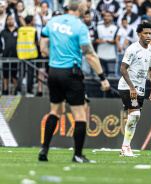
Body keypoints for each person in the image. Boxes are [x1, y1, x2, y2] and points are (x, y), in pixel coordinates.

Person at [39, 0, 110, 163]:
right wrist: (102, 78)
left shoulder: (53, 21)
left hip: (53, 71)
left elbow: (43, 47)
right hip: (71, 73)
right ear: (80, 8)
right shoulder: (80, 27)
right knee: (80, 115)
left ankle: (44, 149)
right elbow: (90, 55)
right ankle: (77, 155)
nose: (86, 8)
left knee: (55, 112)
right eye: (85, 6)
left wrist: (54, 57)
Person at [118, 21, 151, 156]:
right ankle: (126, 147)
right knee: (135, 114)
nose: (148, 36)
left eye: (150, 33)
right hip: (127, 87)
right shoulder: (132, 49)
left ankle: (125, 148)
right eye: (145, 33)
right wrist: (131, 87)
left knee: (134, 118)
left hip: (140, 89)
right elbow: (123, 69)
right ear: (139, 34)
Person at [16, 15, 38, 96]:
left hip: (21, 54)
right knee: (30, 74)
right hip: (31, 55)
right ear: (31, 21)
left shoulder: (20, 30)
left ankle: (19, 91)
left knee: (21, 73)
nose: (34, 22)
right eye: (34, 20)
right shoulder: (33, 30)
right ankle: (29, 91)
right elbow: (36, 42)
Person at [95, 11, 118, 77]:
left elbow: (116, 40)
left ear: (112, 17)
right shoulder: (98, 27)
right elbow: (95, 39)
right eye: (105, 16)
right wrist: (97, 40)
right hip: (100, 55)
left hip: (111, 55)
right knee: (101, 76)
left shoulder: (115, 28)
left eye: (108, 16)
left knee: (112, 76)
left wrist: (106, 41)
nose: (106, 17)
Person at [0, 15, 18, 95]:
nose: (10, 21)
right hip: (5, 56)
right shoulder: (3, 32)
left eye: (11, 19)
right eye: (8, 19)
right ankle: (5, 89)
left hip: (16, 56)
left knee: (14, 74)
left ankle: (16, 90)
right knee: (5, 74)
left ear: (14, 20)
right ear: (6, 21)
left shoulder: (19, 30)